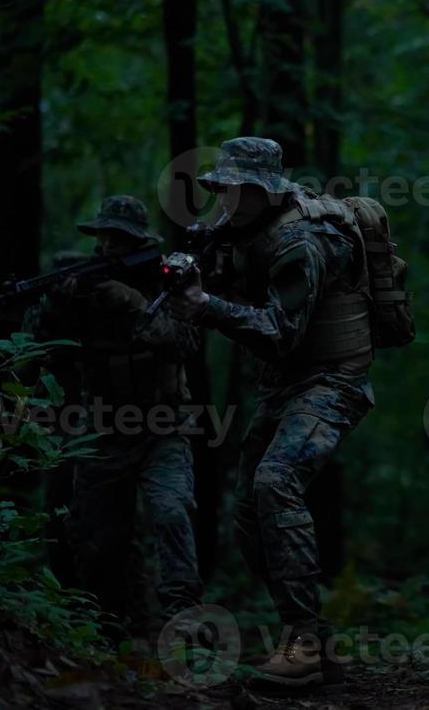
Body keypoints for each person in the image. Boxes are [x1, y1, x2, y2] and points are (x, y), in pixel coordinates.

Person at [164, 137, 375, 689]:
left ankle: (305, 641)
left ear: (262, 191)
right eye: (220, 190)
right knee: (248, 517)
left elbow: (281, 334)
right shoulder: (241, 231)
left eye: (234, 190)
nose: (224, 200)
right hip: (286, 384)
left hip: (333, 379)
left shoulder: (302, 239)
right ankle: (311, 638)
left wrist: (207, 306)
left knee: (276, 482)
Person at [27, 194, 204, 632]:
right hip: (104, 431)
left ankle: (183, 616)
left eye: (119, 239)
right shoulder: (82, 286)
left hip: (164, 428)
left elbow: (185, 344)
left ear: (138, 240)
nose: (108, 246)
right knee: (97, 539)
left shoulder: (165, 281)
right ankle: (107, 628)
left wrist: (129, 302)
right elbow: (38, 349)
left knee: (171, 510)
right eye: (104, 237)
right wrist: (56, 305)